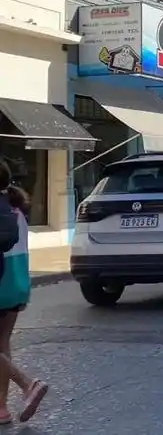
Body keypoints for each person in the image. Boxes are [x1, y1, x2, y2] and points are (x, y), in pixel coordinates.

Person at [0, 161, 47, 423]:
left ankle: (28, 384)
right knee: (3, 344)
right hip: (16, 283)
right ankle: (1, 408)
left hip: (1, 280)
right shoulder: (15, 208)